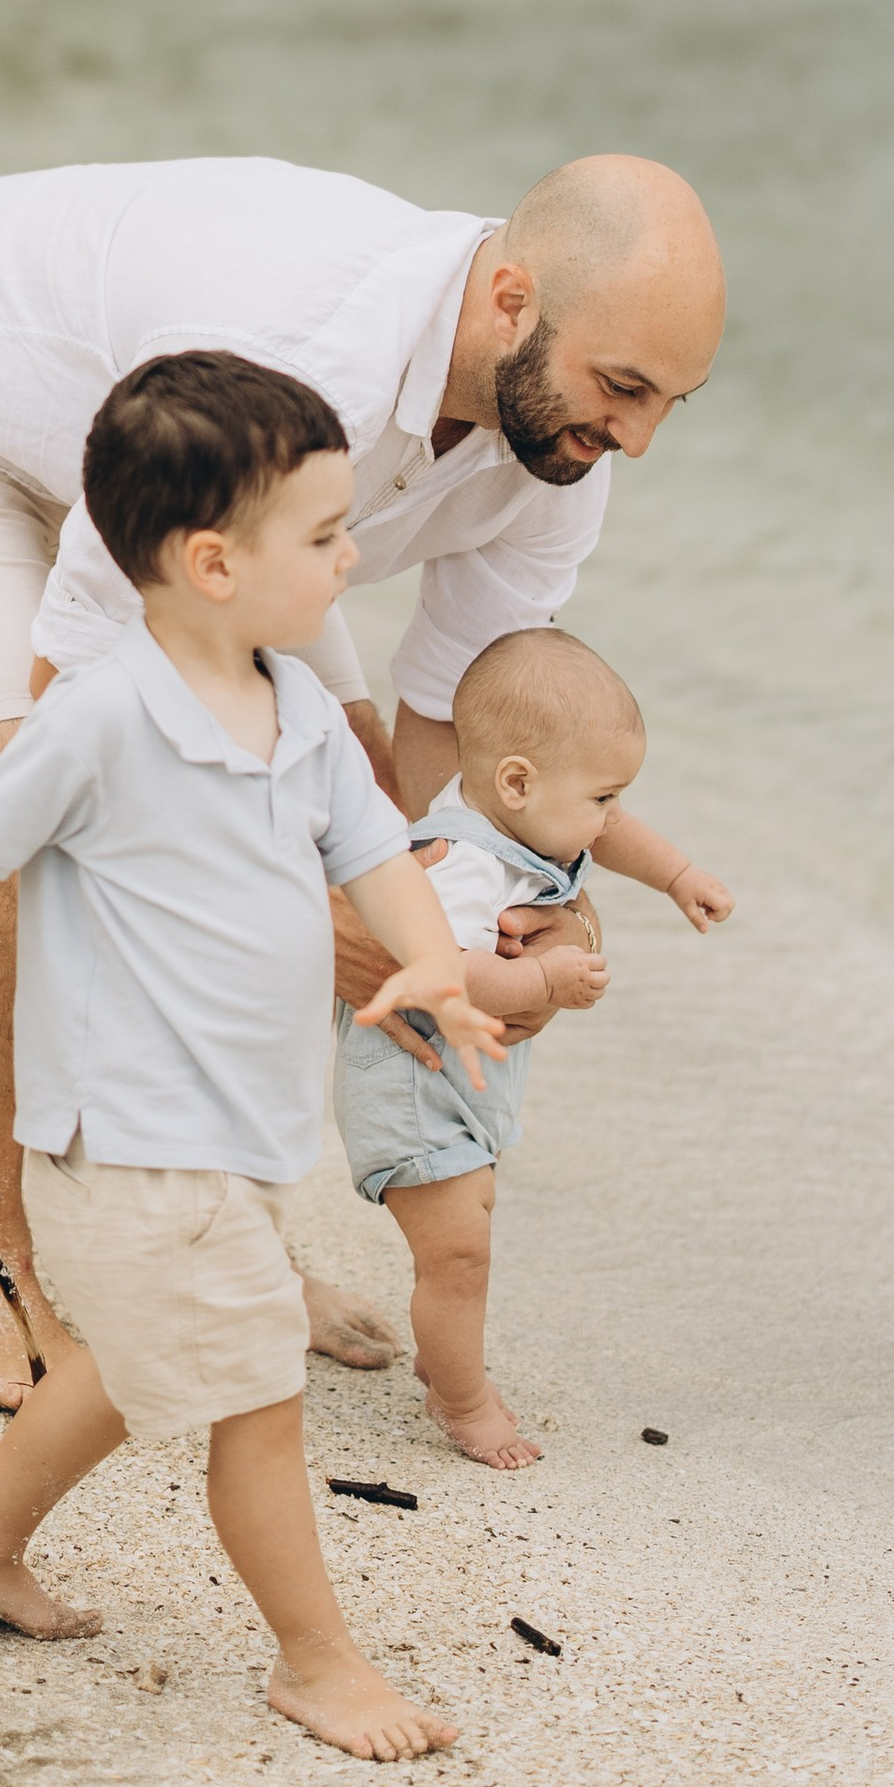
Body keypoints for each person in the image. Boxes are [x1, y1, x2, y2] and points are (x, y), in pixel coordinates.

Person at [0, 151, 727, 1407]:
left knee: (344, 817)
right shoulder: (302, 350)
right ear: (510, 301)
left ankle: (218, 1240)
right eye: (622, 388)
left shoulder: (557, 450)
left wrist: (492, 909)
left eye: (671, 403)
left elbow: (461, 747)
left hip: (229, 506)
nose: (636, 441)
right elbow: (75, 712)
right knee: (48, 809)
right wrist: (311, 909)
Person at [0, 350, 502, 1760]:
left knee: (125, 1364)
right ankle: (319, 1664)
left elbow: (374, 853)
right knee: (259, 1404)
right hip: (129, 1140)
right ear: (211, 562)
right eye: (323, 535)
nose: (351, 556)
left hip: (235, 1131)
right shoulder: (101, 716)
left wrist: (431, 957)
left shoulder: (296, 709)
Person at [332, 624, 732, 1468]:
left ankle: (446, 1357)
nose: (611, 817)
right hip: (410, 1084)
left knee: (465, 1237)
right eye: (603, 797)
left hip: (454, 1084)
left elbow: (610, 836)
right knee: (459, 1254)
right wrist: (544, 982)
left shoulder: (515, 814)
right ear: (518, 781)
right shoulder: (460, 861)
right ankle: (462, 1401)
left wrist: (677, 876)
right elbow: (439, 964)